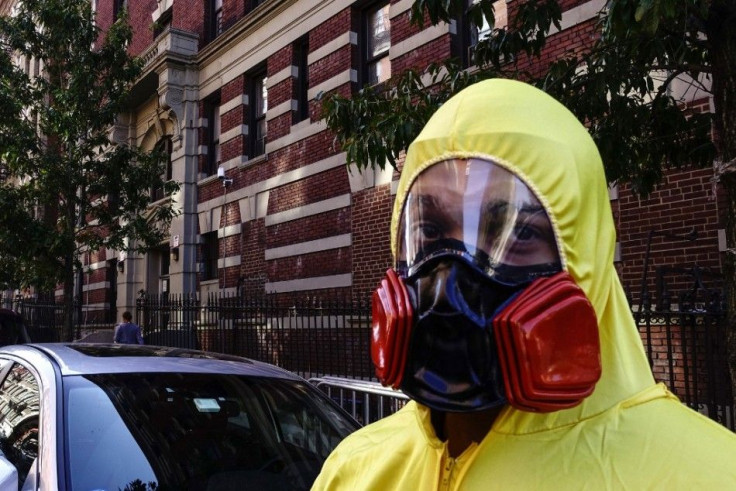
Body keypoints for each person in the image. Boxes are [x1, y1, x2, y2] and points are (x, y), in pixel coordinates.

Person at [312, 79, 736, 489]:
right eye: (430, 230)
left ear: (583, 257)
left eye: (519, 234)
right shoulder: (354, 470)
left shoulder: (709, 475)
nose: (450, 284)